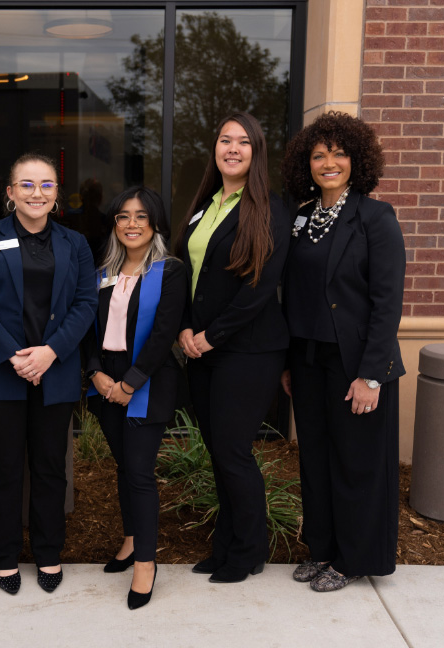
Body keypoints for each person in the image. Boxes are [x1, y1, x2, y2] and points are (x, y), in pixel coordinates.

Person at [0, 152, 97, 595]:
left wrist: (50, 353)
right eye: (27, 184)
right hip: (2, 374)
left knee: (51, 467)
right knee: (4, 469)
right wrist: (15, 357)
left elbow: (85, 304)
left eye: (47, 185)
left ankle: (49, 551)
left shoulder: (75, 243)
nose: (37, 193)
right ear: (10, 193)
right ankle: (3, 557)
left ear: (57, 194)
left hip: (53, 372)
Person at [280, 111, 405, 592]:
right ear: (305, 164)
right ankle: (324, 549)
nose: (328, 162)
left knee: (355, 464)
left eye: (338, 152)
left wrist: (371, 374)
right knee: (316, 459)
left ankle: (353, 559)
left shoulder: (376, 217)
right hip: (309, 361)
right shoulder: (301, 216)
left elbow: (386, 302)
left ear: (356, 159)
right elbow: (295, 293)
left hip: (356, 364)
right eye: (318, 154)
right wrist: (292, 362)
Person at [175, 112, 290, 584]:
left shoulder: (270, 208)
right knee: (218, 451)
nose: (233, 148)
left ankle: (248, 552)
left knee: (233, 450)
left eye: (244, 142)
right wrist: (184, 328)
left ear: (256, 152)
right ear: (216, 148)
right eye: (226, 140)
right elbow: (185, 273)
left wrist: (209, 336)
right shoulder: (206, 205)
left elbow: (259, 290)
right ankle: (226, 545)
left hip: (248, 351)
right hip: (202, 349)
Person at [82, 186, 185, 609]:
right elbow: (85, 328)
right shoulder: (100, 272)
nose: (132, 224)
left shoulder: (171, 271)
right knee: (124, 466)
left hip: (148, 382)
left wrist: (130, 383)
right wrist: (96, 374)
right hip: (104, 381)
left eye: (141, 216)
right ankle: (130, 539)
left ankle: (146, 561)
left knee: (140, 471)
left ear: (155, 222)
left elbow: (164, 334)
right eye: (123, 216)